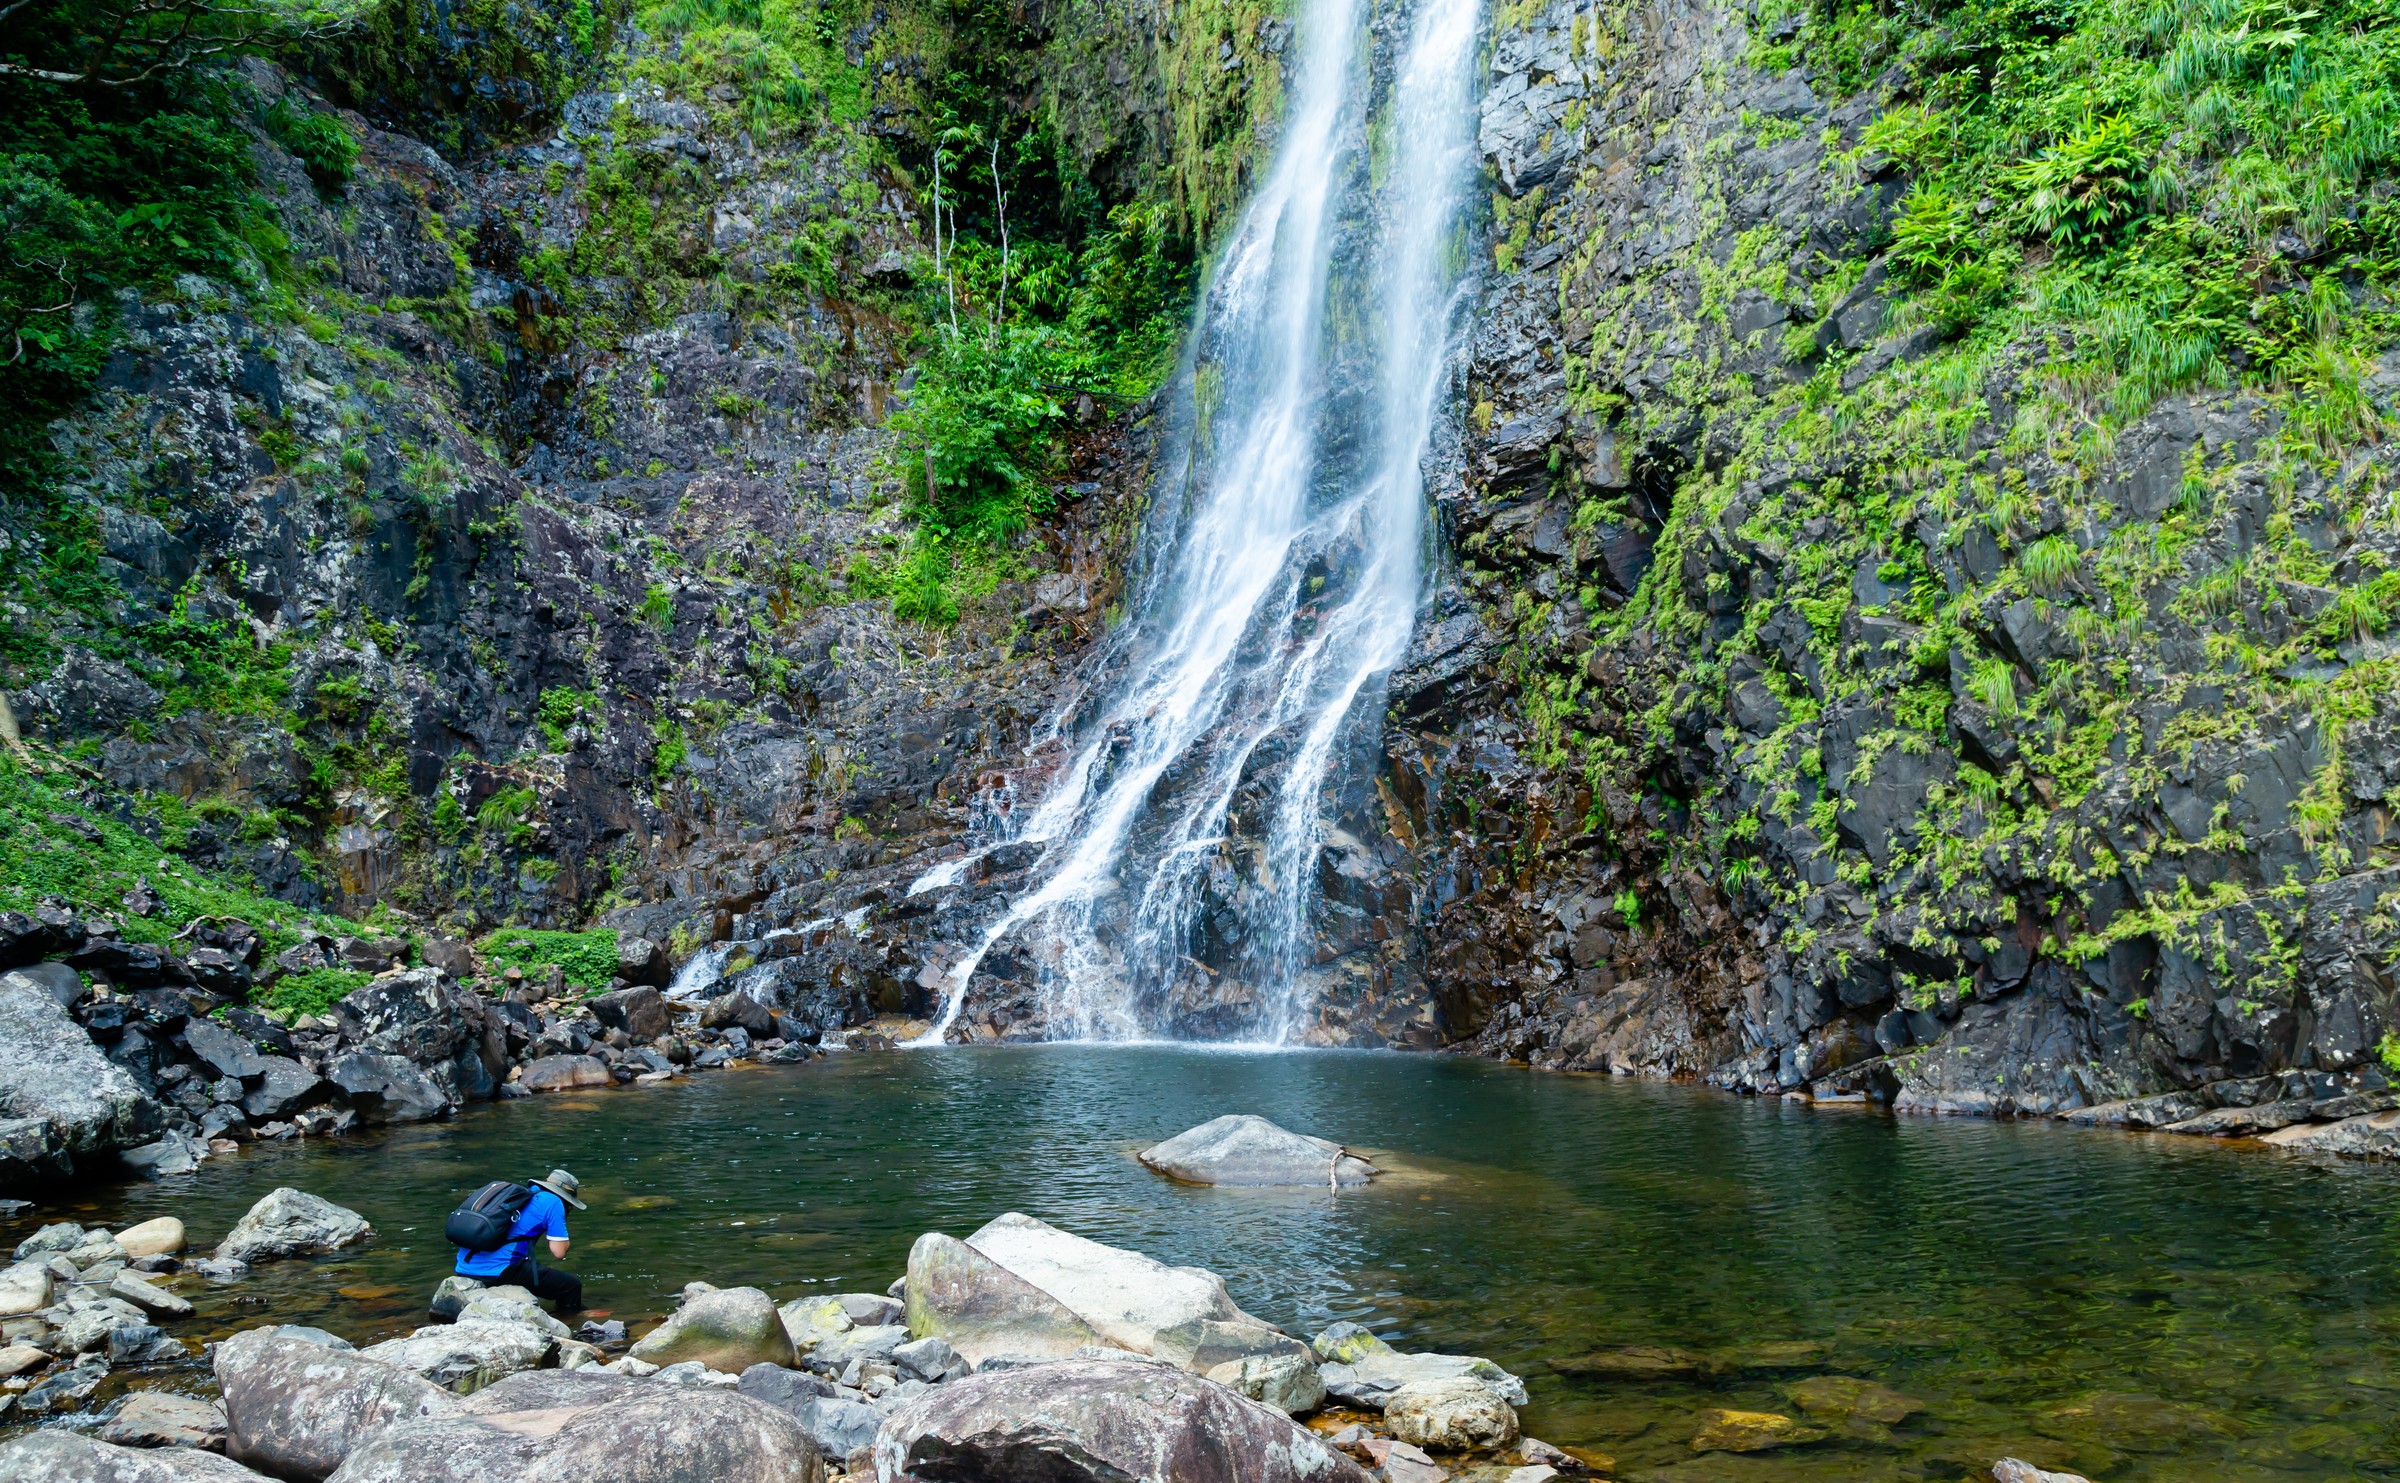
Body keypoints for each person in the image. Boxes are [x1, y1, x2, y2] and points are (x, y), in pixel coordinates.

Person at [454, 1168, 587, 1313]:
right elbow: (558, 1252)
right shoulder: (554, 1202)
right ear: (567, 1198)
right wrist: (565, 1239)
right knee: (571, 1286)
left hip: (463, 1269)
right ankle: (570, 1321)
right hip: (498, 1272)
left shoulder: (524, 1195)